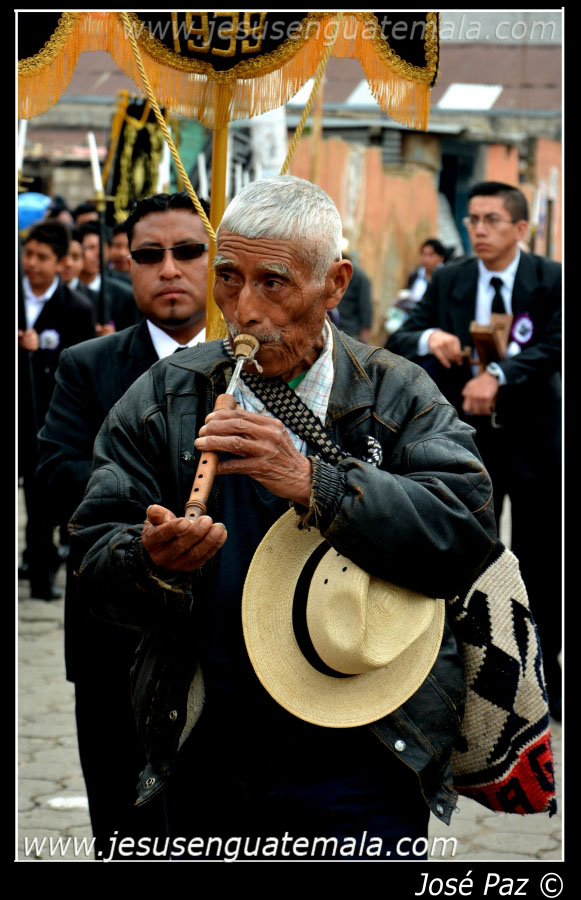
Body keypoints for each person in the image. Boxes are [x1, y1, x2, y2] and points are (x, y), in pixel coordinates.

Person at [69, 175, 496, 861]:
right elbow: (94, 554)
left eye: (274, 283)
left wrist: (313, 482)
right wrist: (149, 560)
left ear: (334, 284)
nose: (244, 310)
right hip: (209, 746)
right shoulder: (166, 394)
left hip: (368, 751)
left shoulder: (397, 391)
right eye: (228, 278)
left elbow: (465, 534)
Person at [36, 191, 210, 859]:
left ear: (216, 260)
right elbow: (56, 472)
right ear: (126, 264)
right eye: (149, 254)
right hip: (113, 637)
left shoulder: (255, 366)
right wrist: (156, 515)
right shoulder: (87, 365)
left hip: (229, 637)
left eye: (188, 251)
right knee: (126, 831)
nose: (169, 268)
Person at [387, 181, 562, 720]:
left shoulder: (549, 279)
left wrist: (500, 374)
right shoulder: (450, 279)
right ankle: (464, 674)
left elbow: (554, 345)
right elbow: (402, 334)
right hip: (467, 442)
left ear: (520, 228)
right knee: (465, 551)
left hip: (533, 438)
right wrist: (431, 337)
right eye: (472, 220)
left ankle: (544, 676)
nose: (479, 230)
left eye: (491, 220)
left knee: (539, 557)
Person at [18, 220, 95, 600]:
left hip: (47, 414)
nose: (32, 263)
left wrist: (40, 354)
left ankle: (42, 573)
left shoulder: (75, 307)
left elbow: (77, 366)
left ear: (60, 262)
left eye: (42, 257)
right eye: (28, 254)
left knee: (42, 498)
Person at [76, 221, 141, 334]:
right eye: (91, 247)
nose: (98, 254)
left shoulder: (125, 296)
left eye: (102, 247)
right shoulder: (65, 291)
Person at [335, 239, 373, 342]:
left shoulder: (360, 278)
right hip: (333, 328)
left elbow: (366, 308)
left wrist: (364, 335)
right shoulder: (331, 274)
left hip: (350, 332)